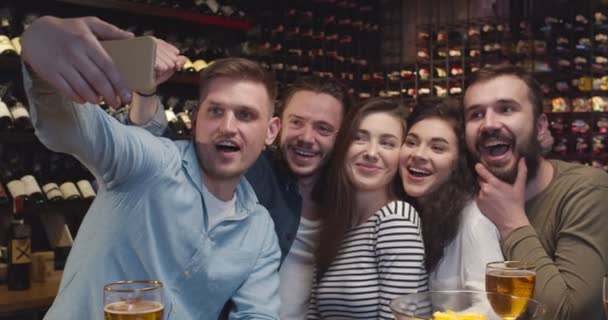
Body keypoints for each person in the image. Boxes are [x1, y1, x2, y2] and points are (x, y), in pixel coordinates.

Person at [21, 16, 282, 319]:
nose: (227, 126)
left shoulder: (259, 229)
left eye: (246, 115)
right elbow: (67, 129)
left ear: (271, 132)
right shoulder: (152, 163)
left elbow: (259, 314)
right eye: (215, 111)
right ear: (195, 119)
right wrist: (38, 44)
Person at [130, 75, 353, 320]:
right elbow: (167, 148)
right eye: (297, 122)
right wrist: (145, 92)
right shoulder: (249, 169)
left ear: (340, 137)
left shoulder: (345, 204)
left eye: (323, 129)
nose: (307, 138)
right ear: (275, 127)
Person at [463, 64, 608, 319]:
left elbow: (572, 314)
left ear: (541, 127)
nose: (488, 124)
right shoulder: (466, 200)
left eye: (506, 109)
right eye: (475, 114)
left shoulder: (587, 189)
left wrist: (511, 221)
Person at [307, 98, 428, 320]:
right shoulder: (335, 226)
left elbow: (395, 317)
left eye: (387, 143)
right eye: (360, 138)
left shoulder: (396, 219)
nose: (371, 152)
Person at [399, 98, 504, 292]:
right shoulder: (408, 213)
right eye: (411, 142)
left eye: (438, 147)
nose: (419, 154)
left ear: (458, 162)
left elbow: (492, 310)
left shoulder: (474, 222)